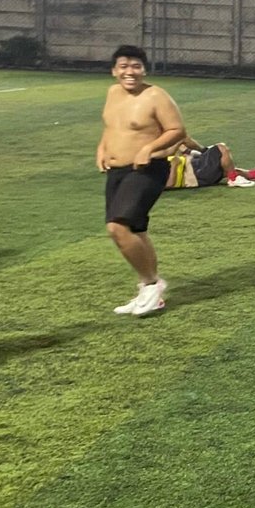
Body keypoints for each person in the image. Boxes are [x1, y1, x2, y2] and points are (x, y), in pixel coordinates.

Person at [98, 44, 186, 317]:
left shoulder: (156, 95)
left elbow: (177, 130)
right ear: (114, 71)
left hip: (147, 169)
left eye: (136, 66)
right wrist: (102, 148)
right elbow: (112, 126)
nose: (130, 72)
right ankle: (148, 289)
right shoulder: (113, 93)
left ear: (144, 70)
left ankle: (151, 285)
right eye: (123, 66)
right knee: (136, 230)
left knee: (117, 227)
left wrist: (149, 148)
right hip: (117, 171)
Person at [164, 136, 255, 189]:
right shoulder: (153, 178)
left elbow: (167, 153)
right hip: (195, 175)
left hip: (193, 166)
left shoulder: (155, 162)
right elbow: (169, 184)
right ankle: (233, 179)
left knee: (226, 167)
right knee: (221, 148)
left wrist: (185, 151)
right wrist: (174, 165)